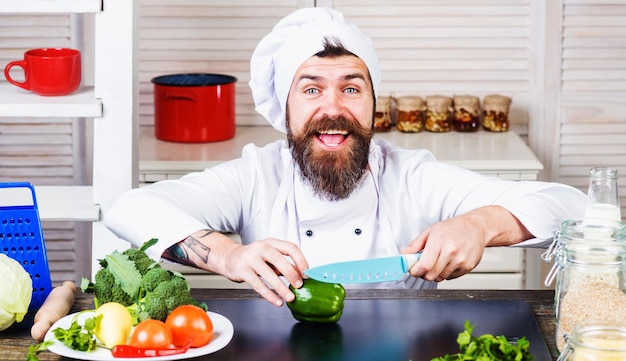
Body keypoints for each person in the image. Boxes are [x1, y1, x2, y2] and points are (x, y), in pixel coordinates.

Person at [104, 7, 587, 307]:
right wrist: (229, 255)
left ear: (374, 104)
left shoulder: (413, 177)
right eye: (311, 88)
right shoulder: (257, 175)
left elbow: (580, 210)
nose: (332, 108)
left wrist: (480, 225)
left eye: (351, 88)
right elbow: (129, 208)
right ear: (285, 108)